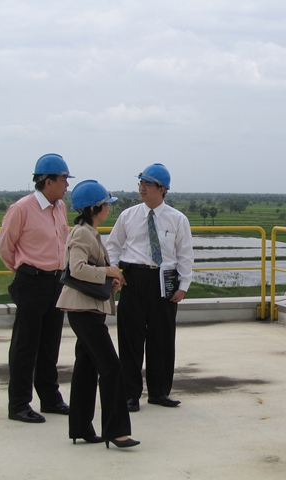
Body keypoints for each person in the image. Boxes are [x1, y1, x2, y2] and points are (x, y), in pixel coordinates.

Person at [56, 180, 140, 449]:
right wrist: (109, 271)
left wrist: (108, 282)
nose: (108, 209)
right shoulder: (82, 234)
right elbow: (77, 268)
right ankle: (116, 431)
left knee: (86, 367)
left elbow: (88, 271)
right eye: (105, 205)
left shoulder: (88, 232)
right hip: (84, 311)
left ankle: (81, 427)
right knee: (111, 367)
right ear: (94, 208)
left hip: (88, 307)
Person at [106, 163, 193, 411]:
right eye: (140, 183)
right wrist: (114, 270)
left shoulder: (178, 219)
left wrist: (183, 286)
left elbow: (185, 255)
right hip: (133, 279)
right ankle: (130, 394)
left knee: (162, 339)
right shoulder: (128, 216)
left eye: (147, 184)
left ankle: (159, 392)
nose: (142, 188)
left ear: (162, 189)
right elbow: (113, 246)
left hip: (164, 281)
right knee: (130, 339)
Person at [0, 153, 73, 423]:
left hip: (56, 281)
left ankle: (50, 398)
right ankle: (19, 404)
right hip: (31, 281)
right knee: (25, 346)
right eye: (63, 179)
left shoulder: (60, 207)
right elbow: (5, 247)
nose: (67, 185)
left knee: (50, 345)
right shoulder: (22, 208)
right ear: (48, 181)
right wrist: (23, 270)